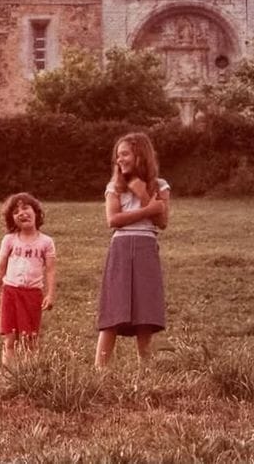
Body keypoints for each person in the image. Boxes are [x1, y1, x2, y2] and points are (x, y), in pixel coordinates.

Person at [95, 132, 171, 369]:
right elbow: (113, 220)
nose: (120, 160)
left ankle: (145, 369)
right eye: (118, 156)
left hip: (146, 247)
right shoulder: (114, 187)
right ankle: (100, 370)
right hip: (121, 247)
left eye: (125, 154)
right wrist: (148, 209)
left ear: (140, 154)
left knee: (145, 311)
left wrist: (142, 194)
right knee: (113, 309)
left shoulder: (160, 186)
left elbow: (162, 221)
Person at [0, 192, 56, 366]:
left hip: (32, 295)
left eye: (26, 208)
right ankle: (7, 375)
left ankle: (28, 375)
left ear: (36, 212)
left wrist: (50, 294)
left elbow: (50, 270)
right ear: (12, 219)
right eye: (16, 211)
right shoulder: (9, 240)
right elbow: (1, 267)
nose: (22, 213)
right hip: (10, 293)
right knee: (10, 339)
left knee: (30, 340)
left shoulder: (46, 242)